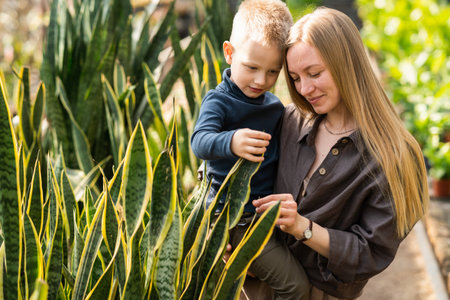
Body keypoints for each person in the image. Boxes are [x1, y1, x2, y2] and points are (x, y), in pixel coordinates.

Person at [250, 7, 429, 300]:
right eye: (295, 78)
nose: (305, 88)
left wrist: (302, 227)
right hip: (260, 283)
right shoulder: (291, 121)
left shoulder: (396, 154)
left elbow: (370, 254)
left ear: (348, 64)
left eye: (315, 73)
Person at [190, 0, 310, 299]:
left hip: (267, 218)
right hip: (233, 221)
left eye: (273, 72)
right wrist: (231, 141)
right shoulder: (217, 101)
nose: (261, 80)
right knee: (295, 287)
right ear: (229, 53)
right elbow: (199, 141)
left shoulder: (273, 106)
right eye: (251, 67)